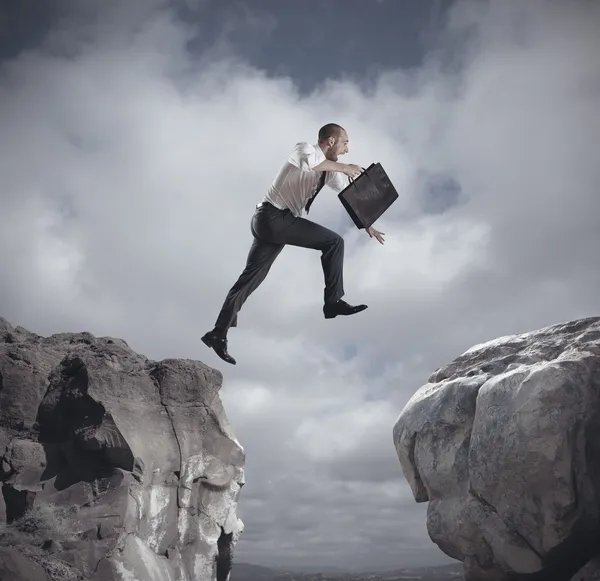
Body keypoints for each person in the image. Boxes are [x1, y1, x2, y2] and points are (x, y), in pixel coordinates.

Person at [201, 123, 385, 365]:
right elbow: (312, 165)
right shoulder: (304, 150)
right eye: (345, 143)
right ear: (330, 141)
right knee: (334, 242)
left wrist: (367, 224)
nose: (347, 150)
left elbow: (349, 194)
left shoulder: (329, 171)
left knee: (248, 280)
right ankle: (332, 303)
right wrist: (344, 167)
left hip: (274, 226)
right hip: (272, 218)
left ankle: (218, 333)